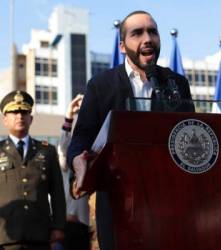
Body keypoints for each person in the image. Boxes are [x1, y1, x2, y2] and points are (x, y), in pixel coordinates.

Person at [67, 10, 194, 250]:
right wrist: (77, 161)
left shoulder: (176, 83)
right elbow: (81, 137)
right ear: (123, 46)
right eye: (138, 33)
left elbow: (191, 134)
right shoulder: (101, 85)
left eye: (153, 32)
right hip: (117, 202)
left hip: (167, 202)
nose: (148, 38)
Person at [0, 90, 66, 250]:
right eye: (14, 112)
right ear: (4, 120)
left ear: (31, 118)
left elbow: (57, 193)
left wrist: (58, 227)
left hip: (40, 236)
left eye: (24, 112)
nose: (19, 116)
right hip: (5, 237)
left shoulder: (47, 151)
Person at [57, 94, 91, 250]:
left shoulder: (96, 147)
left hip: (90, 227)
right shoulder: (67, 160)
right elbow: (63, 146)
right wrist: (69, 116)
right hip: (68, 226)